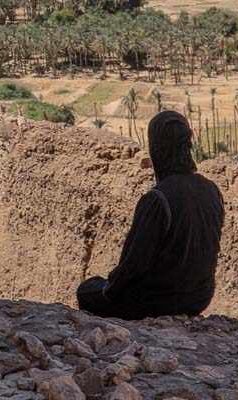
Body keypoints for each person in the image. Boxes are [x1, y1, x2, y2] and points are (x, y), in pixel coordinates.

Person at [77, 110, 224, 319]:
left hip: (158, 301)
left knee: (86, 290)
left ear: (157, 149)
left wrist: (108, 289)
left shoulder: (158, 199)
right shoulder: (212, 190)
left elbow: (133, 265)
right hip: (200, 298)